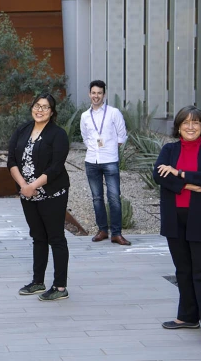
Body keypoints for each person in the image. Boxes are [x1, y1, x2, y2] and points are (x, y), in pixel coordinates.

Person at [153, 106, 201, 353]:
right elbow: (159, 175)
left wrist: (180, 174)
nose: (190, 127)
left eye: (196, 123)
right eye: (186, 123)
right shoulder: (169, 150)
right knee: (183, 270)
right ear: (178, 126)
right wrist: (191, 185)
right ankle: (187, 316)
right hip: (175, 220)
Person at [7, 93, 71, 301]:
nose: (40, 110)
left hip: (52, 193)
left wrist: (33, 185)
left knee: (56, 238)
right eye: (37, 105)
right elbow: (12, 161)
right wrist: (24, 186)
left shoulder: (58, 134)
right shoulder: (23, 130)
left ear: (52, 112)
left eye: (45, 107)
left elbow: (56, 166)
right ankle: (37, 281)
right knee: (38, 237)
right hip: (28, 193)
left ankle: (60, 287)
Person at [80, 80, 131, 245]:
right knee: (97, 198)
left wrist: (108, 148)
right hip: (91, 161)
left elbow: (122, 135)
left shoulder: (113, 113)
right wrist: (95, 148)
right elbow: (85, 136)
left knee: (114, 197)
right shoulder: (85, 116)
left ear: (104, 94)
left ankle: (116, 233)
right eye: (93, 93)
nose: (96, 96)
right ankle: (102, 230)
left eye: (99, 93)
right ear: (89, 94)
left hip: (109, 160)